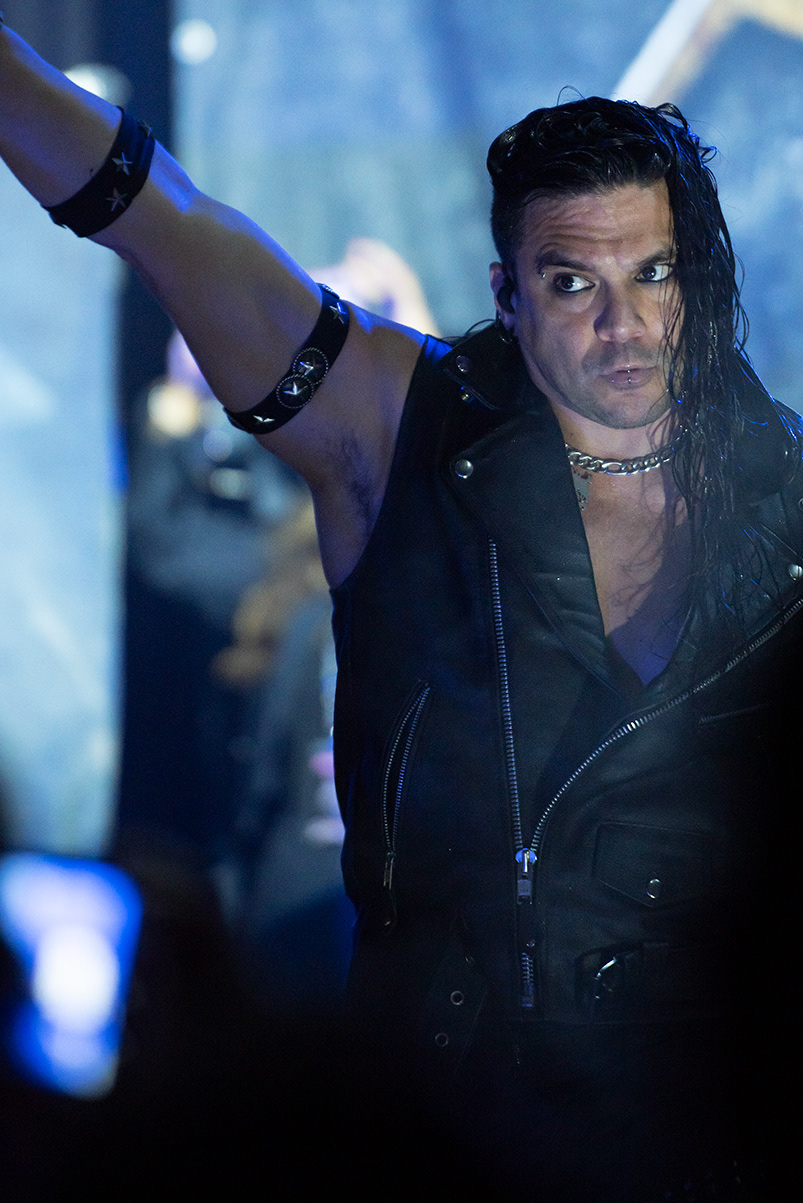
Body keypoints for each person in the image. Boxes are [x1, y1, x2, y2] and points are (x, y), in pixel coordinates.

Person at [0, 17, 799, 1200]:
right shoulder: (401, 431)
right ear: (507, 295)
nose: (621, 325)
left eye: (653, 273)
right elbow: (160, 214)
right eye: (571, 282)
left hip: (717, 1141)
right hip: (444, 1122)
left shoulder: (786, 512)